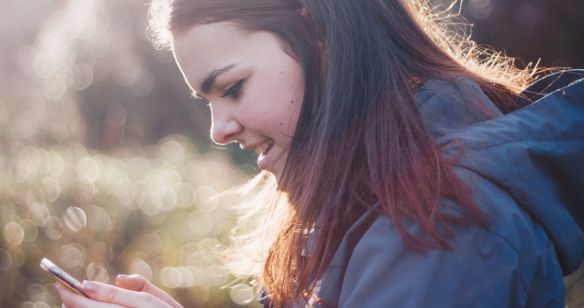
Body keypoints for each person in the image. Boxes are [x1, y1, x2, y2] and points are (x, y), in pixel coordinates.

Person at [56, 0, 584, 307]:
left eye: (233, 87)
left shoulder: (437, 228)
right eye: (208, 101)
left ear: (320, 34)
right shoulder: (386, 199)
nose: (219, 130)